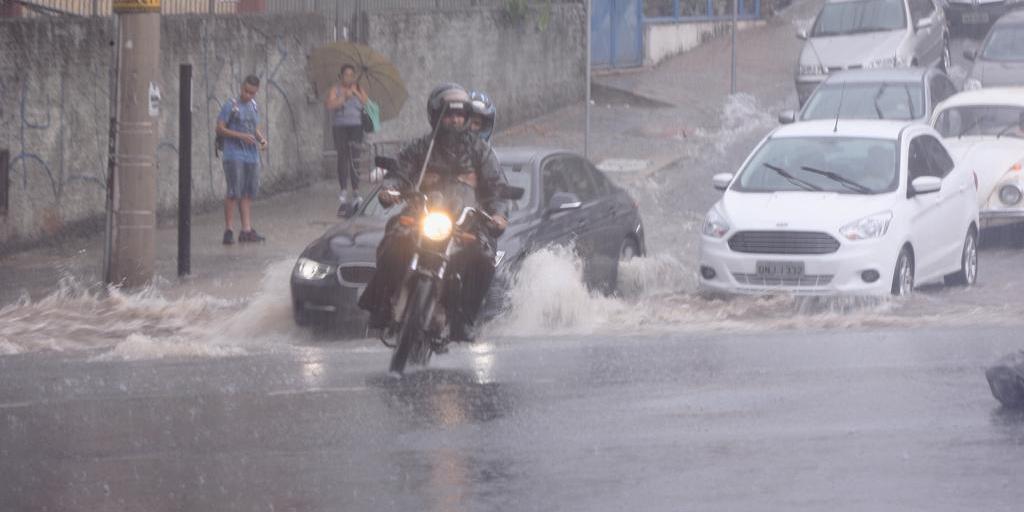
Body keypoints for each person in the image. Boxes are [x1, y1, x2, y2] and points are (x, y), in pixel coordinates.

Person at [357, 83, 510, 341]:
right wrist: (390, 190)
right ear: (436, 115)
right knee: (393, 239)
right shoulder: (421, 147)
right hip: (423, 215)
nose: (455, 120)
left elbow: (496, 187)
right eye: (449, 114)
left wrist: (498, 215)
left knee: (485, 259)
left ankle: (464, 319)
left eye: (460, 115)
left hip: (465, 221)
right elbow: (399, 173)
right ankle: (381, 306)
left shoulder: (480, 151)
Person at [216, 74, 267, 244]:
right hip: (234, 153)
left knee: (247, 192)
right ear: (241, 88)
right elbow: (220, 128)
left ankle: (246, 229)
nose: (248, 95)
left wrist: (261, 139)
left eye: (252, 93)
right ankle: (228, 229)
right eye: (246, 91)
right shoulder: (231, 105)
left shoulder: (253, 106)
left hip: (251, 154)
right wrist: (240, 136)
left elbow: (253, 128)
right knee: (233, 191)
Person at [326, 63, 369, 217]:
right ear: (341, 76)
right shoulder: (335, 89)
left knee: (355, 157)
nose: (349, 77)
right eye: (346, 75)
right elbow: (330, 105)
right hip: (340, 128)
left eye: (352, 75)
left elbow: (367, 103)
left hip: (356, 127)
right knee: (342, 157)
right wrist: (344, 96)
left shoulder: (358, 88)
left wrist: (356, 93)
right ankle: (343, 188)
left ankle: (356, 189)